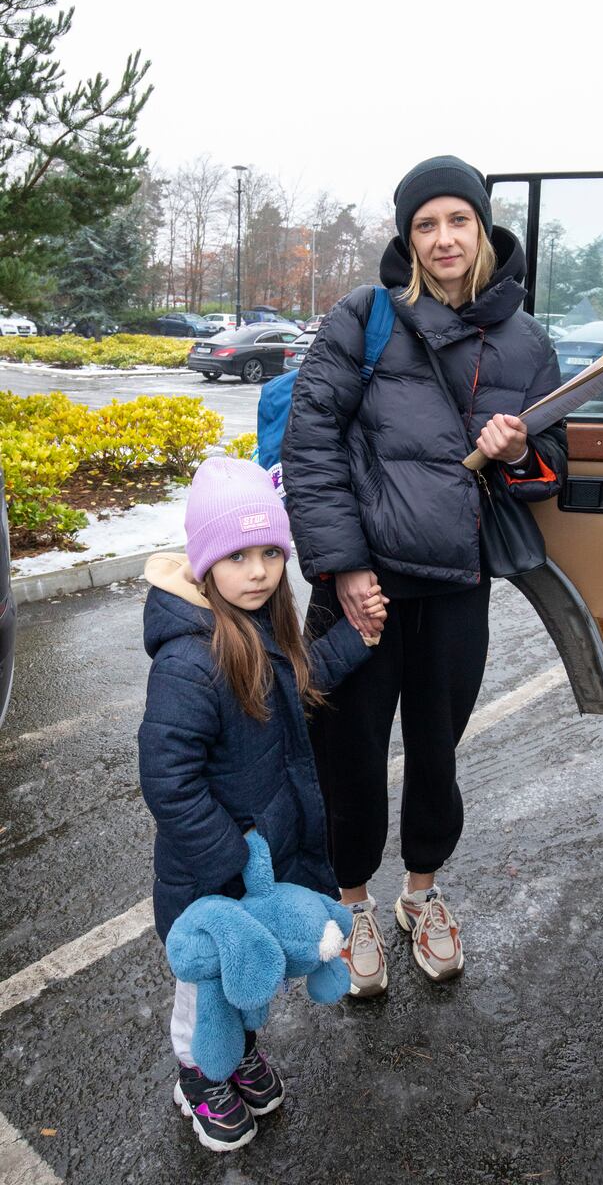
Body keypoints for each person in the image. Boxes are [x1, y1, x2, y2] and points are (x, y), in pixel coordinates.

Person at [282, 155, 568, 998]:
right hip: (361, 591)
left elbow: (552, 463)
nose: (443, 238)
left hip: (454, 587)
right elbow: (312, 449)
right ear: (407, 239)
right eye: (425, 225)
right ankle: (352, 904)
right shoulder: (364, 319)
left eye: (458, 221)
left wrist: (520, 453)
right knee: (349, 754)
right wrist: (343, 570)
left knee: (437, 754)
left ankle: (420, 896)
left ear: (482, 229)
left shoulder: (525, 339)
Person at [137, 456, 386, 1152]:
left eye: (271, 553)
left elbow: (299, 684)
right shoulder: (189, 661)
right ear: (205, 561)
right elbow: (168, 779)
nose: (259, 571)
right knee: (206, 984)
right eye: (238, 555)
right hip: (209, 880)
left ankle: (237, 1052)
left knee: (249, 979)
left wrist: (357, 639)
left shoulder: (261, 629)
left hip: (258, 870)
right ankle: (197, 1075)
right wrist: (230, 862)